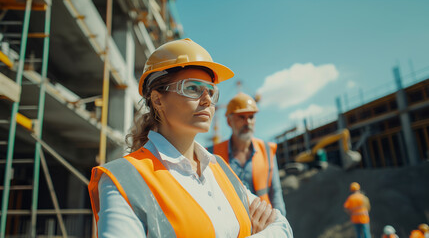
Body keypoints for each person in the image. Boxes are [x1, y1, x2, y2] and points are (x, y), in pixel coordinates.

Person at [88, 38, 293, 237]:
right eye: (192, 88)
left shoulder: (220, 168)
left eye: (211, 91)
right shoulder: (123, 180)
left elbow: (282, 227)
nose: (206, 100)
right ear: (158, 100)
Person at [208, 92, 286, 216]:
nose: (247, 122)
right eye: (241, 117)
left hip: (265, 227)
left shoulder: (267, 150)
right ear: (229, 121)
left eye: (251, 117)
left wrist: (280, 226)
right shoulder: (210, 154)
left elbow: (276, 194)